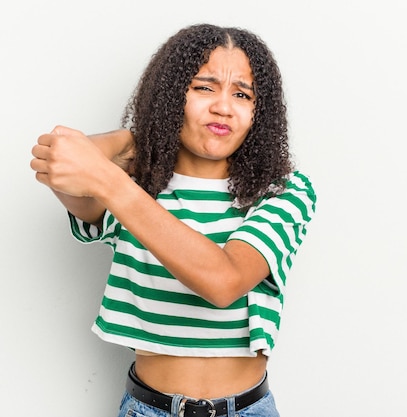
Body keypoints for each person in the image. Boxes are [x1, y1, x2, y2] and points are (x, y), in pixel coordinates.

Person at [30, 23, 316, 417]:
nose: (223, 106)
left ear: (258, 111)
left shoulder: (282, 190)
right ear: (170, 96)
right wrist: (132, 141)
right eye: (203, 87)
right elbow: (59, 161)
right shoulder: (139, 183)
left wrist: (111, 180)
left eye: (242, 94)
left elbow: (223, 282)